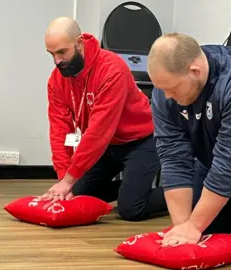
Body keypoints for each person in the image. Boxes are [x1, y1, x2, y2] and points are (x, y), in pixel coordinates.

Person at [148, 33, 231, 260]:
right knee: (196, 230)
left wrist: (194, 224)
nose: (167, 97)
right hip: (214, 167)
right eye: (161, 89)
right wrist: (185, 226)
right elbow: (173, 157)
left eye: (172, 89)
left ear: (195, 71)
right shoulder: (166, 88)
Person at [39, 17, 167, 221]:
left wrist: (69, 181)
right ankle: (130, 189)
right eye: (51, 54)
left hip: (141, 140)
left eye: (62, 52)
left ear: (79, 43)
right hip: (108, 146)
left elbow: (99, 131)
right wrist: (64, 179)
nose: (57, 60)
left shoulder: (112, 69)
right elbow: (59, 130)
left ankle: (189, 190)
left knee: (131, 210)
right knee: (76, 194)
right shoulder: (56, 81)